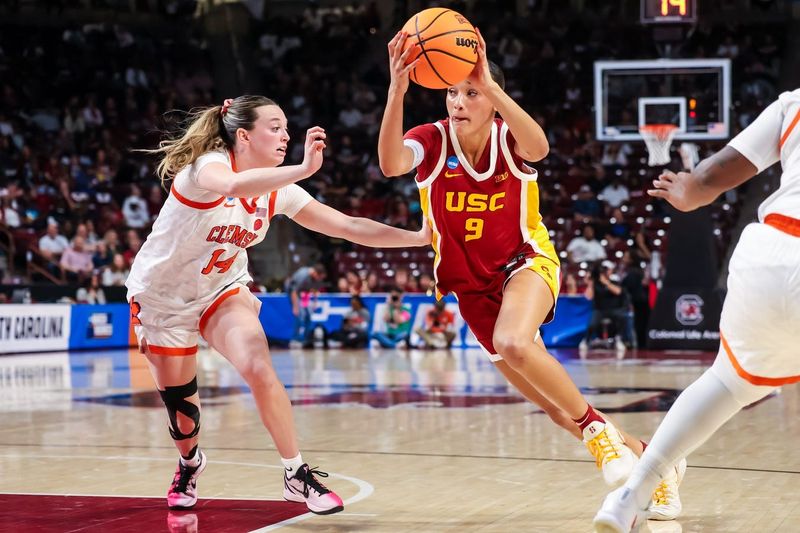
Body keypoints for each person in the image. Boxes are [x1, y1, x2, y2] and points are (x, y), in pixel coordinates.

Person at [378, 29, 681, 514]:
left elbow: (538, 148)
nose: (459, 101)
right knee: (560, 411)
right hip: (470, 289)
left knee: (514, 343)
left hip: (525, 263)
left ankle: (599, 432)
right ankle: (651, 462)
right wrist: (397, 88)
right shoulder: (430, 141)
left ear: (493, 99)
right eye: (452, 92)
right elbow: (390, 162)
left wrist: (491, 86)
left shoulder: (508, 138)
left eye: (470, 91)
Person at [127, 95, 430, 514]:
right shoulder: (206, 168)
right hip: (163, 299)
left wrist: (418, 237)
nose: (286, 135)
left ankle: (295, 472)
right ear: (244, 135)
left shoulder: (278, 192)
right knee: (182, 409)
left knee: (259, 364)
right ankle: (189, 462)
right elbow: (232, 186)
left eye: (287, 127)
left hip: (222, 289)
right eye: (275, 126)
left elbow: (347, 226)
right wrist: (306, 169)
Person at [593, 89, 800, 532]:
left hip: (771, 249)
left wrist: (689, 190)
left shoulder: (794, 102)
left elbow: (708, 178)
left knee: (727, 382)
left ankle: (630, 495)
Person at [579, 261, 629, 355]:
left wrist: (606, 282)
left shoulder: (614, 280)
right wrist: (591, 283)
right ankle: (586, 340)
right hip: (599, 310)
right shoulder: (595, 283)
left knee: (623, 317)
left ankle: (619, 339)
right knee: (592, 324)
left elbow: (618, 292)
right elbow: (588, 297)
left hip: (614, 309)